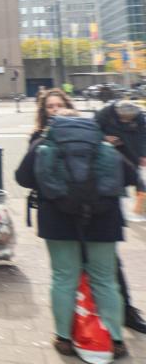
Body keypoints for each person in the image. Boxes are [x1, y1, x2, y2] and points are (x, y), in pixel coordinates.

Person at [15, 106, 137, 358]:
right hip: (103, 221)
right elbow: (131, 175)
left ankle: (64, 339)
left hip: (58, 221)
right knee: (105, 280)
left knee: (63, 278)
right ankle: (115, 340)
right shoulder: (101, 143)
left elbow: (22, 178)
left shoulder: (43, 144)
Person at [96, 99, 146, 333]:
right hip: (71, 214)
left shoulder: (138, 123)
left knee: (108, 267)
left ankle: (123, 312)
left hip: (105, 206)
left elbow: (133, 170)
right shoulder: (101, 122)